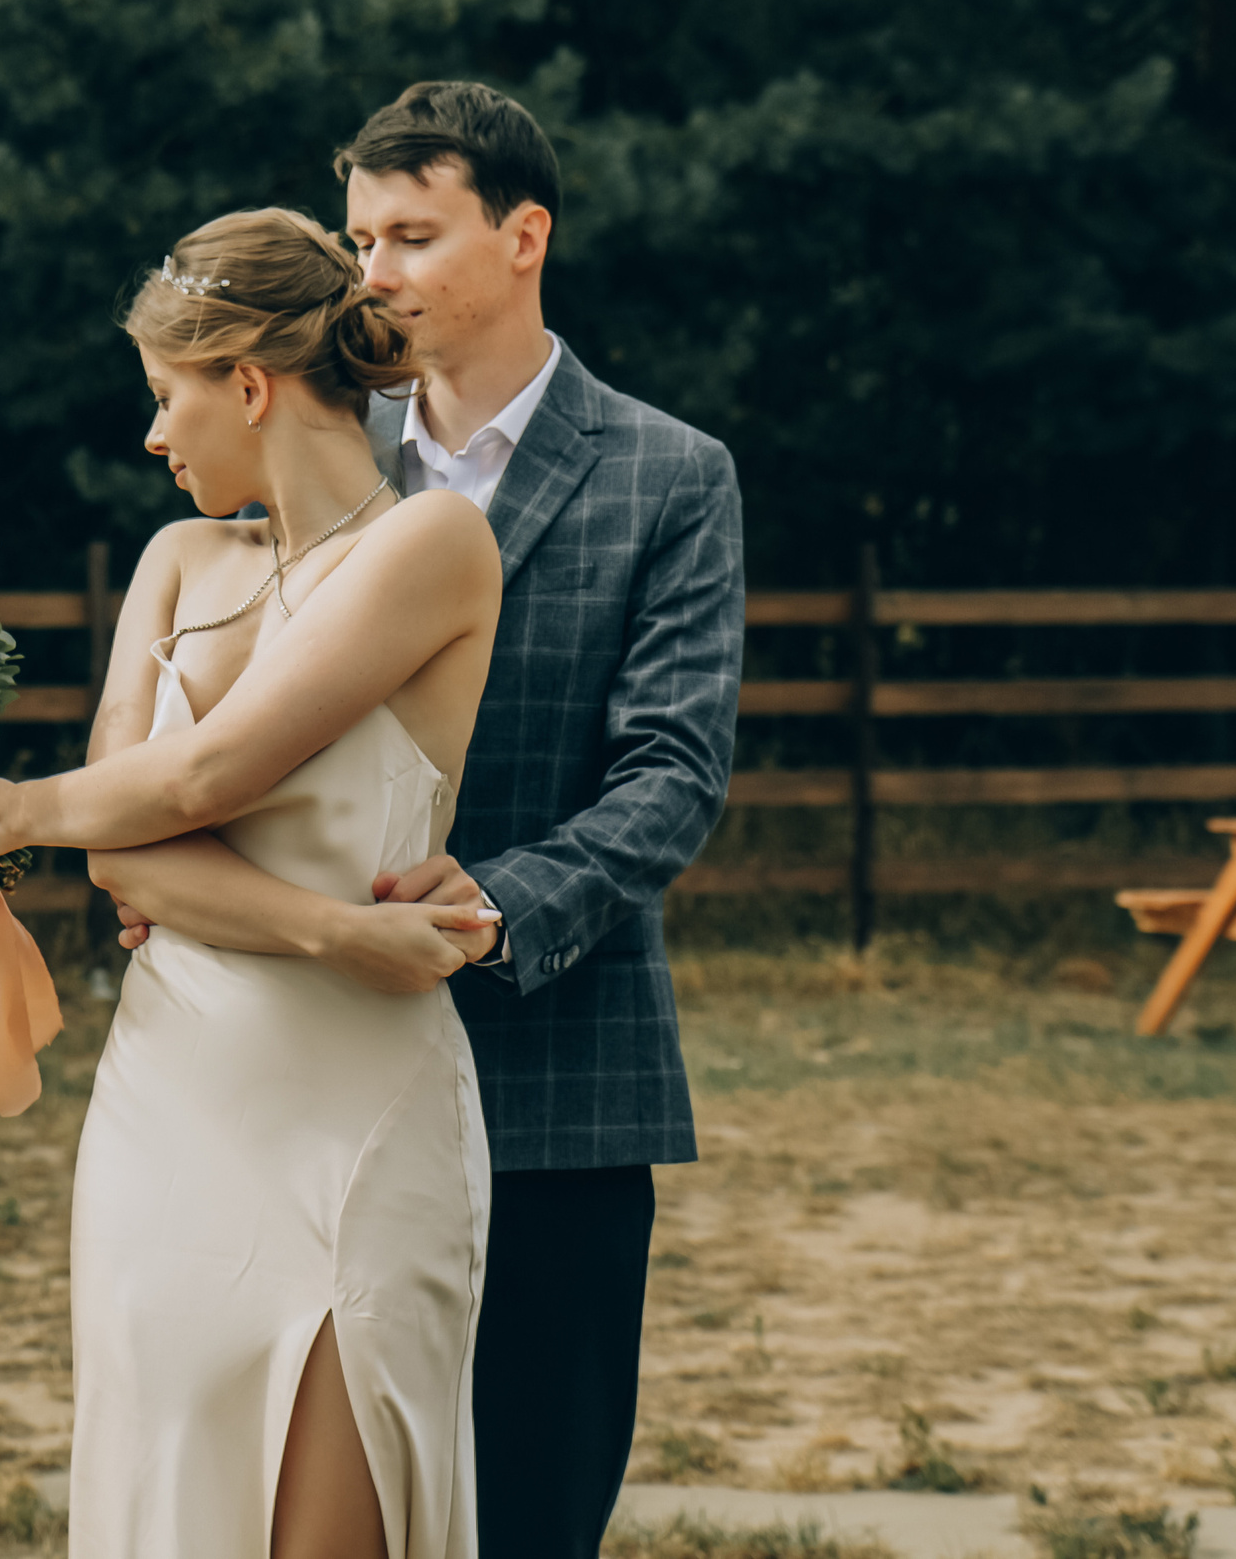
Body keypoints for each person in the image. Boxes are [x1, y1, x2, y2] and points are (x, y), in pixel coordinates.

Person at [108, 83, 746, 1555]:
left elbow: (672, 771)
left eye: (411, 235)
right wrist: (196, 882)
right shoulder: (304, 441)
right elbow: (222, 711)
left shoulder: (669, 474)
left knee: (525, 1514)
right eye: (358, 239)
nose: (374, 272)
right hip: (289, 1072)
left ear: (524, 237)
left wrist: (493, 909)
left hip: (556, 1077)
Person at [0, 205, 508, 1559]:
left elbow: (199, 781)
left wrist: (23, 808)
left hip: (361, 1107)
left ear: (248, 382)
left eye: (166, 396)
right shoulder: (176, 564)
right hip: (173, 1103)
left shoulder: (433, 545)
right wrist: (335, 932)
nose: (153, 436)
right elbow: (124, 846)